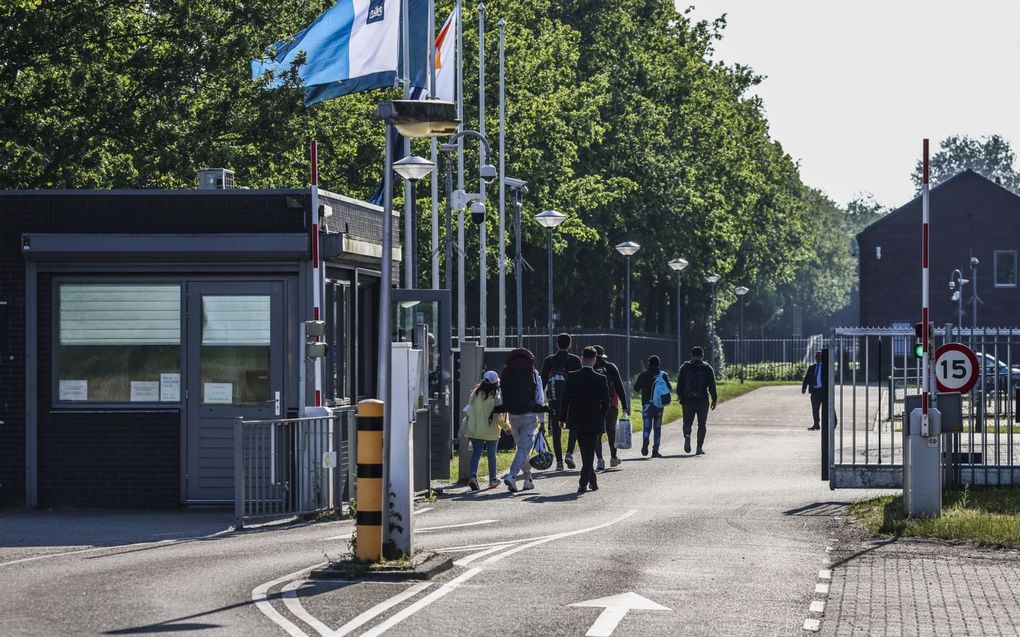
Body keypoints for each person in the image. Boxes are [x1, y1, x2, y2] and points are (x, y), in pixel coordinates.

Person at [560, 346, 610, 494]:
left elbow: (565, 399)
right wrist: (602, 413)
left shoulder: (573, 376)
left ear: (582, 359)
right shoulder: (601, 378)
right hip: (595, 419)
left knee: (585, 451)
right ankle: (587, 482)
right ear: (594, 360)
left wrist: (562, 418)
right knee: (589, 451)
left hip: (578, 419)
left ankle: (587, 481)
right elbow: (606, 401)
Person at [499, 348, 546, 493]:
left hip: (513, 415)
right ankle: (512, 475)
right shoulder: (534, 374)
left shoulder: (506, 373)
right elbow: (539, 397)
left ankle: (527, 479)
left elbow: (502, 395)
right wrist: (542, 419)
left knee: (522, 448)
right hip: (529, 415)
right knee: (525, 449)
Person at [462, 370, 510, 491]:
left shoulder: (475, 392)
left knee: (476, 453)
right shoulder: (496, 396)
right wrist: (507, 427)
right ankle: (493, 480)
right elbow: (498, 417)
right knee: (491, 454)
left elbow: (468, 409)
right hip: (491, 430)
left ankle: (473, 477)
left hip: (474, 428)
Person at [540, 333, 582, 470]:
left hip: (554, 401)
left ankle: (558, 462)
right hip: (571, 400)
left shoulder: (549, 360)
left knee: (556, 430)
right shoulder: (575, 360)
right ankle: (569, 453)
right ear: (569, 345)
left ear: (557, 344)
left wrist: (540, 401)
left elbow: (542, 382)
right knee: (574, 426)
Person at [676, 346, 718, 455]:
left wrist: (680, 396)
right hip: (702, 399)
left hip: (687, 400)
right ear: (702, 356)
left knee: (687, 422)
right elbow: (712, 385)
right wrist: (714, 399)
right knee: (702, 424)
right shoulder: (707, 368)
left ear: (691, 355)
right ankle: (699, 447)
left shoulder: (685, 367)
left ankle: (687, 436)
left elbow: (679, 384)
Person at [592, 345, 626, 468]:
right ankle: (613, 457)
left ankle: (600, 460)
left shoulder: (590, 368)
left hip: (594, 406)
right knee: (611, 432)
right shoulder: (611, 367)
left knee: (597, 434)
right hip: (611, 405)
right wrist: (625, 405)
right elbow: (619, 387)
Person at [633, 355, 672, 458]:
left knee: (646, 427)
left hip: (647, 404)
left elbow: (636, 388)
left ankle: (646, 439)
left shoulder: (644, 375)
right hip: (659, 405)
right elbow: (669, 388)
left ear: (648, 363)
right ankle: (655, 451)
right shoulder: (663, 375)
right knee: (657, 428)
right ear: (659, 364)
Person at [802, 351, 825, 430]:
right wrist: (804, 387)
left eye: (819, 356)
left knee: (827, 408)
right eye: (816, 357)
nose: (817, 358)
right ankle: (816, 424)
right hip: (814, 391)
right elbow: (807, 378)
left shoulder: (826, 368)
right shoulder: (812, 368)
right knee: (815, 409)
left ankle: (832, 421)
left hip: (823, 391)